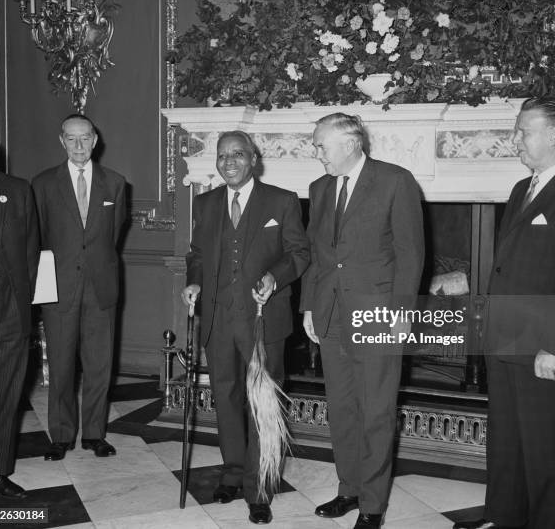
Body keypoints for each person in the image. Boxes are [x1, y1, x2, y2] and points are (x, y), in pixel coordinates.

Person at [454, 96, 555, 529]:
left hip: (543, 348)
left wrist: (554, 347)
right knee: (508, 440)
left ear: (552, 135)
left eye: (522, 131)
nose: (514, 139)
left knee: (546, 445)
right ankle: (504, 516)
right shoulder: (522, 188)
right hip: (506, 340)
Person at [300, 113, 424, 529]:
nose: (315, 152)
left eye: (321, 145)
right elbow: (318, 256)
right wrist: (308, 309)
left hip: (378, 315)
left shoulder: (395, 181)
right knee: (342, 409)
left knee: (375, 411)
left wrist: (404, 312)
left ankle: (373, 505)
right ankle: (348, 489)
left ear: (350, 143)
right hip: (330, 314)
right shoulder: (319, 189)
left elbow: (410, 253)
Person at [182, 130, 309, 525]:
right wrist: (194, 281)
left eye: (238, 154)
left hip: (262, 321)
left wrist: (275, 277)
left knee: (263, 406)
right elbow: (198, 254)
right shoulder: (204, 203)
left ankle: (260, 489)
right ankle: (233, 473)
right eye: (223, 156)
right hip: (218, 322)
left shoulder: (281, 201)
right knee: (226, 400)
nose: (229, 161)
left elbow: (299, 253)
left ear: (253, 158)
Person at [32, 114, 126, 462]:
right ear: (61, 141)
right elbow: (37, 237)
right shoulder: (42, 184)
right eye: (71, 139)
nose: (78, 146)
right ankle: (61, 435)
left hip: (101, 286)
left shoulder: (115, 184)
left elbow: (113, 235)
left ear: (95, 139)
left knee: (100, 365)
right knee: (60, 364)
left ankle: (95, 434)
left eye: (84, 138)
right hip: (58, 287)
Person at [0, 125, 39, 498]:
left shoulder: (17, 191)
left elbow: (30, 250)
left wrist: (22, 306)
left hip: (11, 316)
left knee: (4, 396)